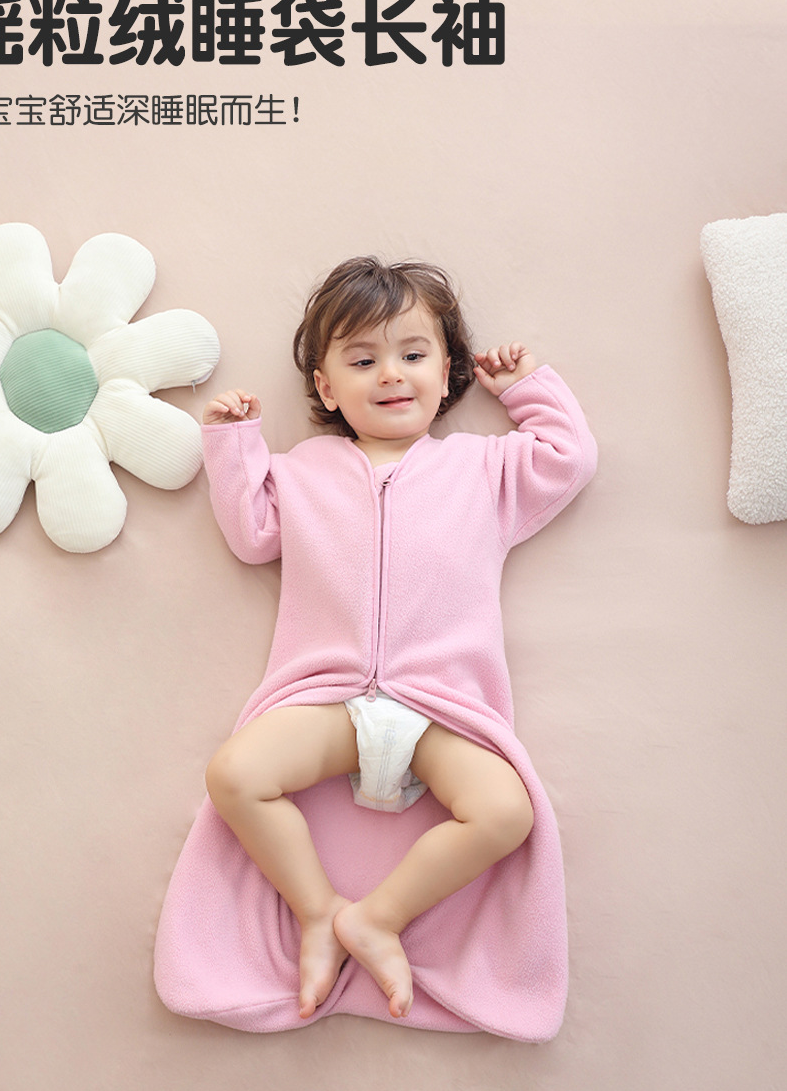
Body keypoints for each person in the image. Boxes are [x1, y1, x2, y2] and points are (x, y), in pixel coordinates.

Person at [199, 257, 596, 1025]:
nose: (390, 373)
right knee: (235, 774)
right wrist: (233, 441)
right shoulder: (304, 470)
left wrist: (525, 389)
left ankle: (378, 917)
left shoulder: (484, 468)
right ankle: (318, 909)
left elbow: (568, 457)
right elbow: (251, 533)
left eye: (413, 354)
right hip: (329, 700)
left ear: (446, 373)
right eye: (362, 360)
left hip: (437, 704)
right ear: (326, 389)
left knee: (505, 812)